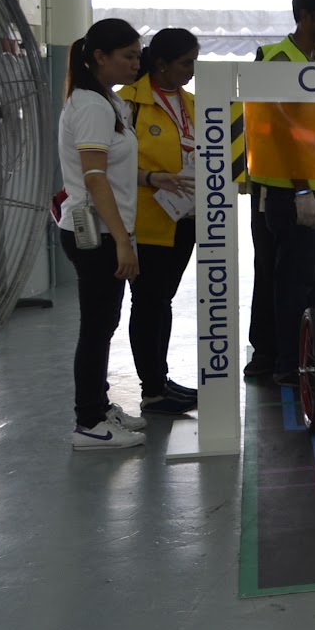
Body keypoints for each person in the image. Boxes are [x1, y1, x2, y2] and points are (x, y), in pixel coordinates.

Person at [249, 0, 315, 386]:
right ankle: (289, 363)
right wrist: (302, 189)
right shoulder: (277, 61)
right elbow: (280, 131)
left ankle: (312, 351)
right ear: (303, 16)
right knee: (291, 279)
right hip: (286, 191)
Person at [57, 18, 147, 450]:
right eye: (128, 56)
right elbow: (94, 179)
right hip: (97, 234)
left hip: (108, 229)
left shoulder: (107, 101)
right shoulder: (92, 106)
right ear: (99, 57)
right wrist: (122, 240)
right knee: (95, 328)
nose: (136, 63)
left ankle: (99, 404)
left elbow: (111, 167)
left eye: (137, 55)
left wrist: (153, 179)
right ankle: (88, 422)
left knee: (104, 324)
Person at [118, 28, 201, 416]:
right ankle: (151, 389)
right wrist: (152, 179)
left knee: (162, 300)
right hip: (146, 220)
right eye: (185, 63)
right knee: (148, 302)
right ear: (161, 64)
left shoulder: (194, 104)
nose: (191, 70)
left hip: (186, 217)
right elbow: (111, 164)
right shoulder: (127, 103)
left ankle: (160, 380)